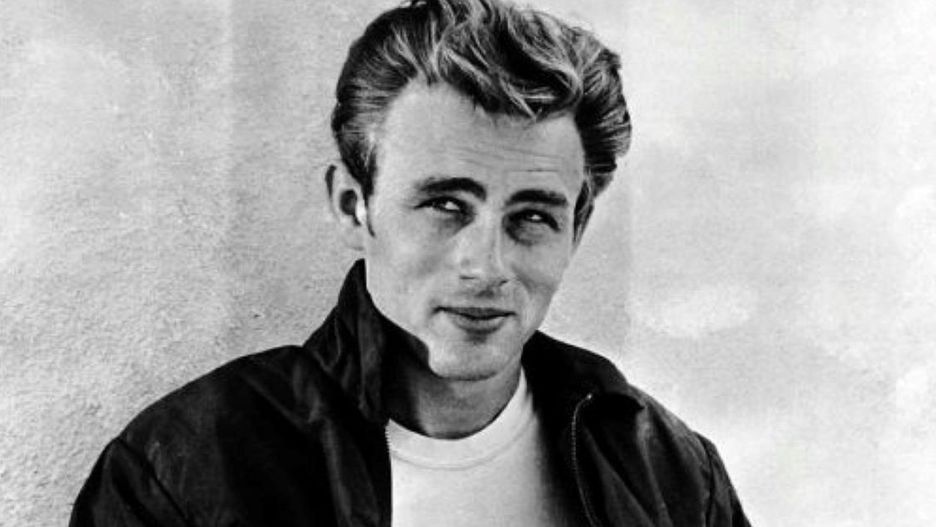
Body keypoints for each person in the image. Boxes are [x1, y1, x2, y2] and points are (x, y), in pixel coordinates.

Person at [70, 0, 751, 525]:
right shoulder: (184, 470)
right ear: (351, 206)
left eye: (532, 216)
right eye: (445, 205)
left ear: (576, 228)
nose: (486, 265)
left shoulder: (667, 469)